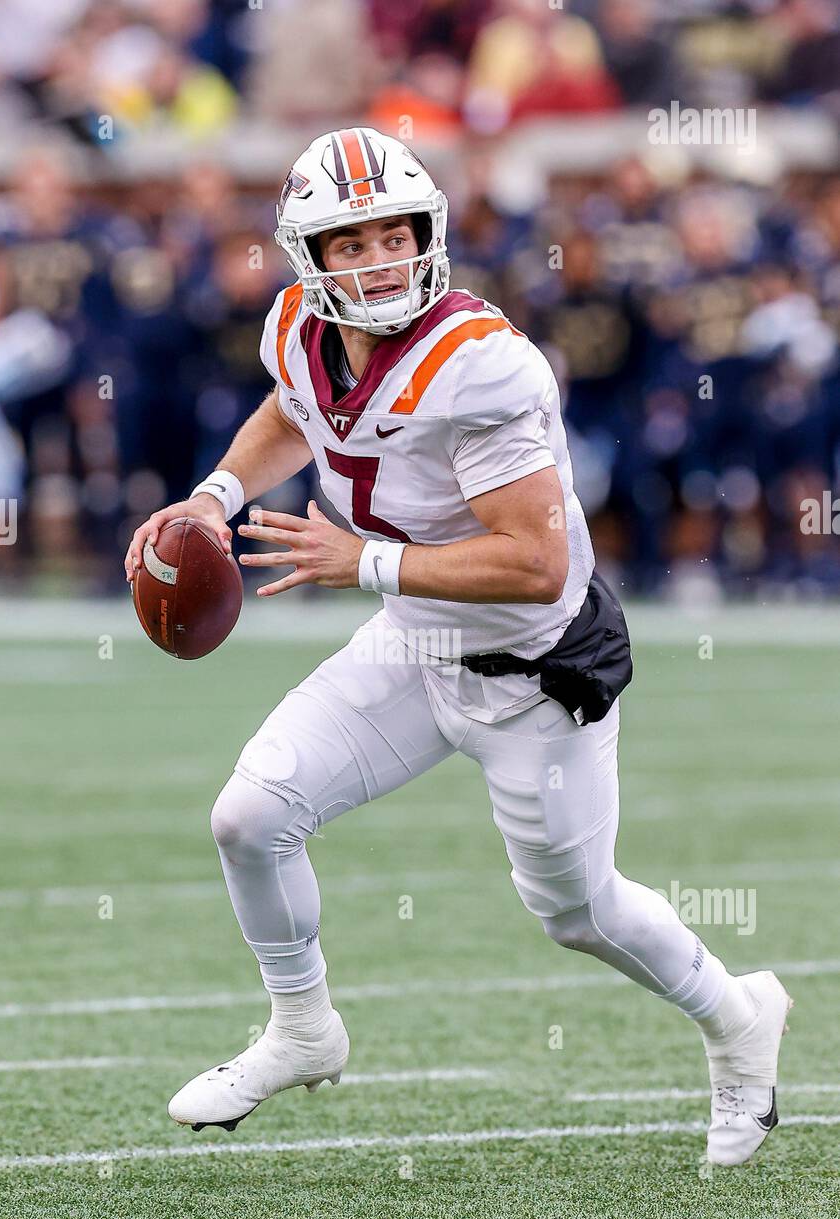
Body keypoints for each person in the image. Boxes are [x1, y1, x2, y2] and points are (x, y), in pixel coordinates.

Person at [125, 128, 791, 1166]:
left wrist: (368, 561)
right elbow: (295, 411)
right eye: (352, 244)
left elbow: (530, 560)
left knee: (575, 910)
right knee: (248, 816)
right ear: (311, 259)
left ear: (428, 234)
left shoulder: (479, 365)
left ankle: (736, 1012)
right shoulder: (299, 322)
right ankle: (303, 1028)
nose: (380, 260)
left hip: (530, 672)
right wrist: (214, 496)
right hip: (411, 643)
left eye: (396, 235)